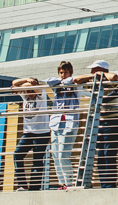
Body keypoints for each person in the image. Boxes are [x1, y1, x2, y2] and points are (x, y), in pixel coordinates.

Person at [72, 61, 118, 188]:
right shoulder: (93, 82)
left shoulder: (112, 82)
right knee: (100, 155)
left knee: (109, 154)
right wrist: (92, 77)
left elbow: (114, 76)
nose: (91, 73)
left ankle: (109, 185)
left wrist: (100, 74)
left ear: (101, 70)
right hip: (98, 123)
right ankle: (104, 183)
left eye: (93, 70)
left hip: (111, 122)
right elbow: (76, 80)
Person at [45, 60, 80, 189]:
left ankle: (69, 182)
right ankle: (62, 182)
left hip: (69, 123)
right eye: (61, 73)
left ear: (70, 73)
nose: (63, 75)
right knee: (55, 154)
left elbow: (75, 81)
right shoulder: (57, 85)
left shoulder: (75, 85)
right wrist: (61, 81)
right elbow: (48, 80)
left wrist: (67, 81)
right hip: (56, 123)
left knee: (63, 154)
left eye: (65, 72)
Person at [10, 78, 50, 191]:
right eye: (28, 91)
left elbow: (34, 89)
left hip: (42, 133)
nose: (30, 94)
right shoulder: (25, 95)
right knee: (17, 154)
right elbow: (14, 83)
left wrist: (32, 85)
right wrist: (27, 80)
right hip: (28, 133)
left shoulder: (41, 94)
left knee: (37, 160)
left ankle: (34, 188)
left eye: (32, 91)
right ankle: (23, 185)